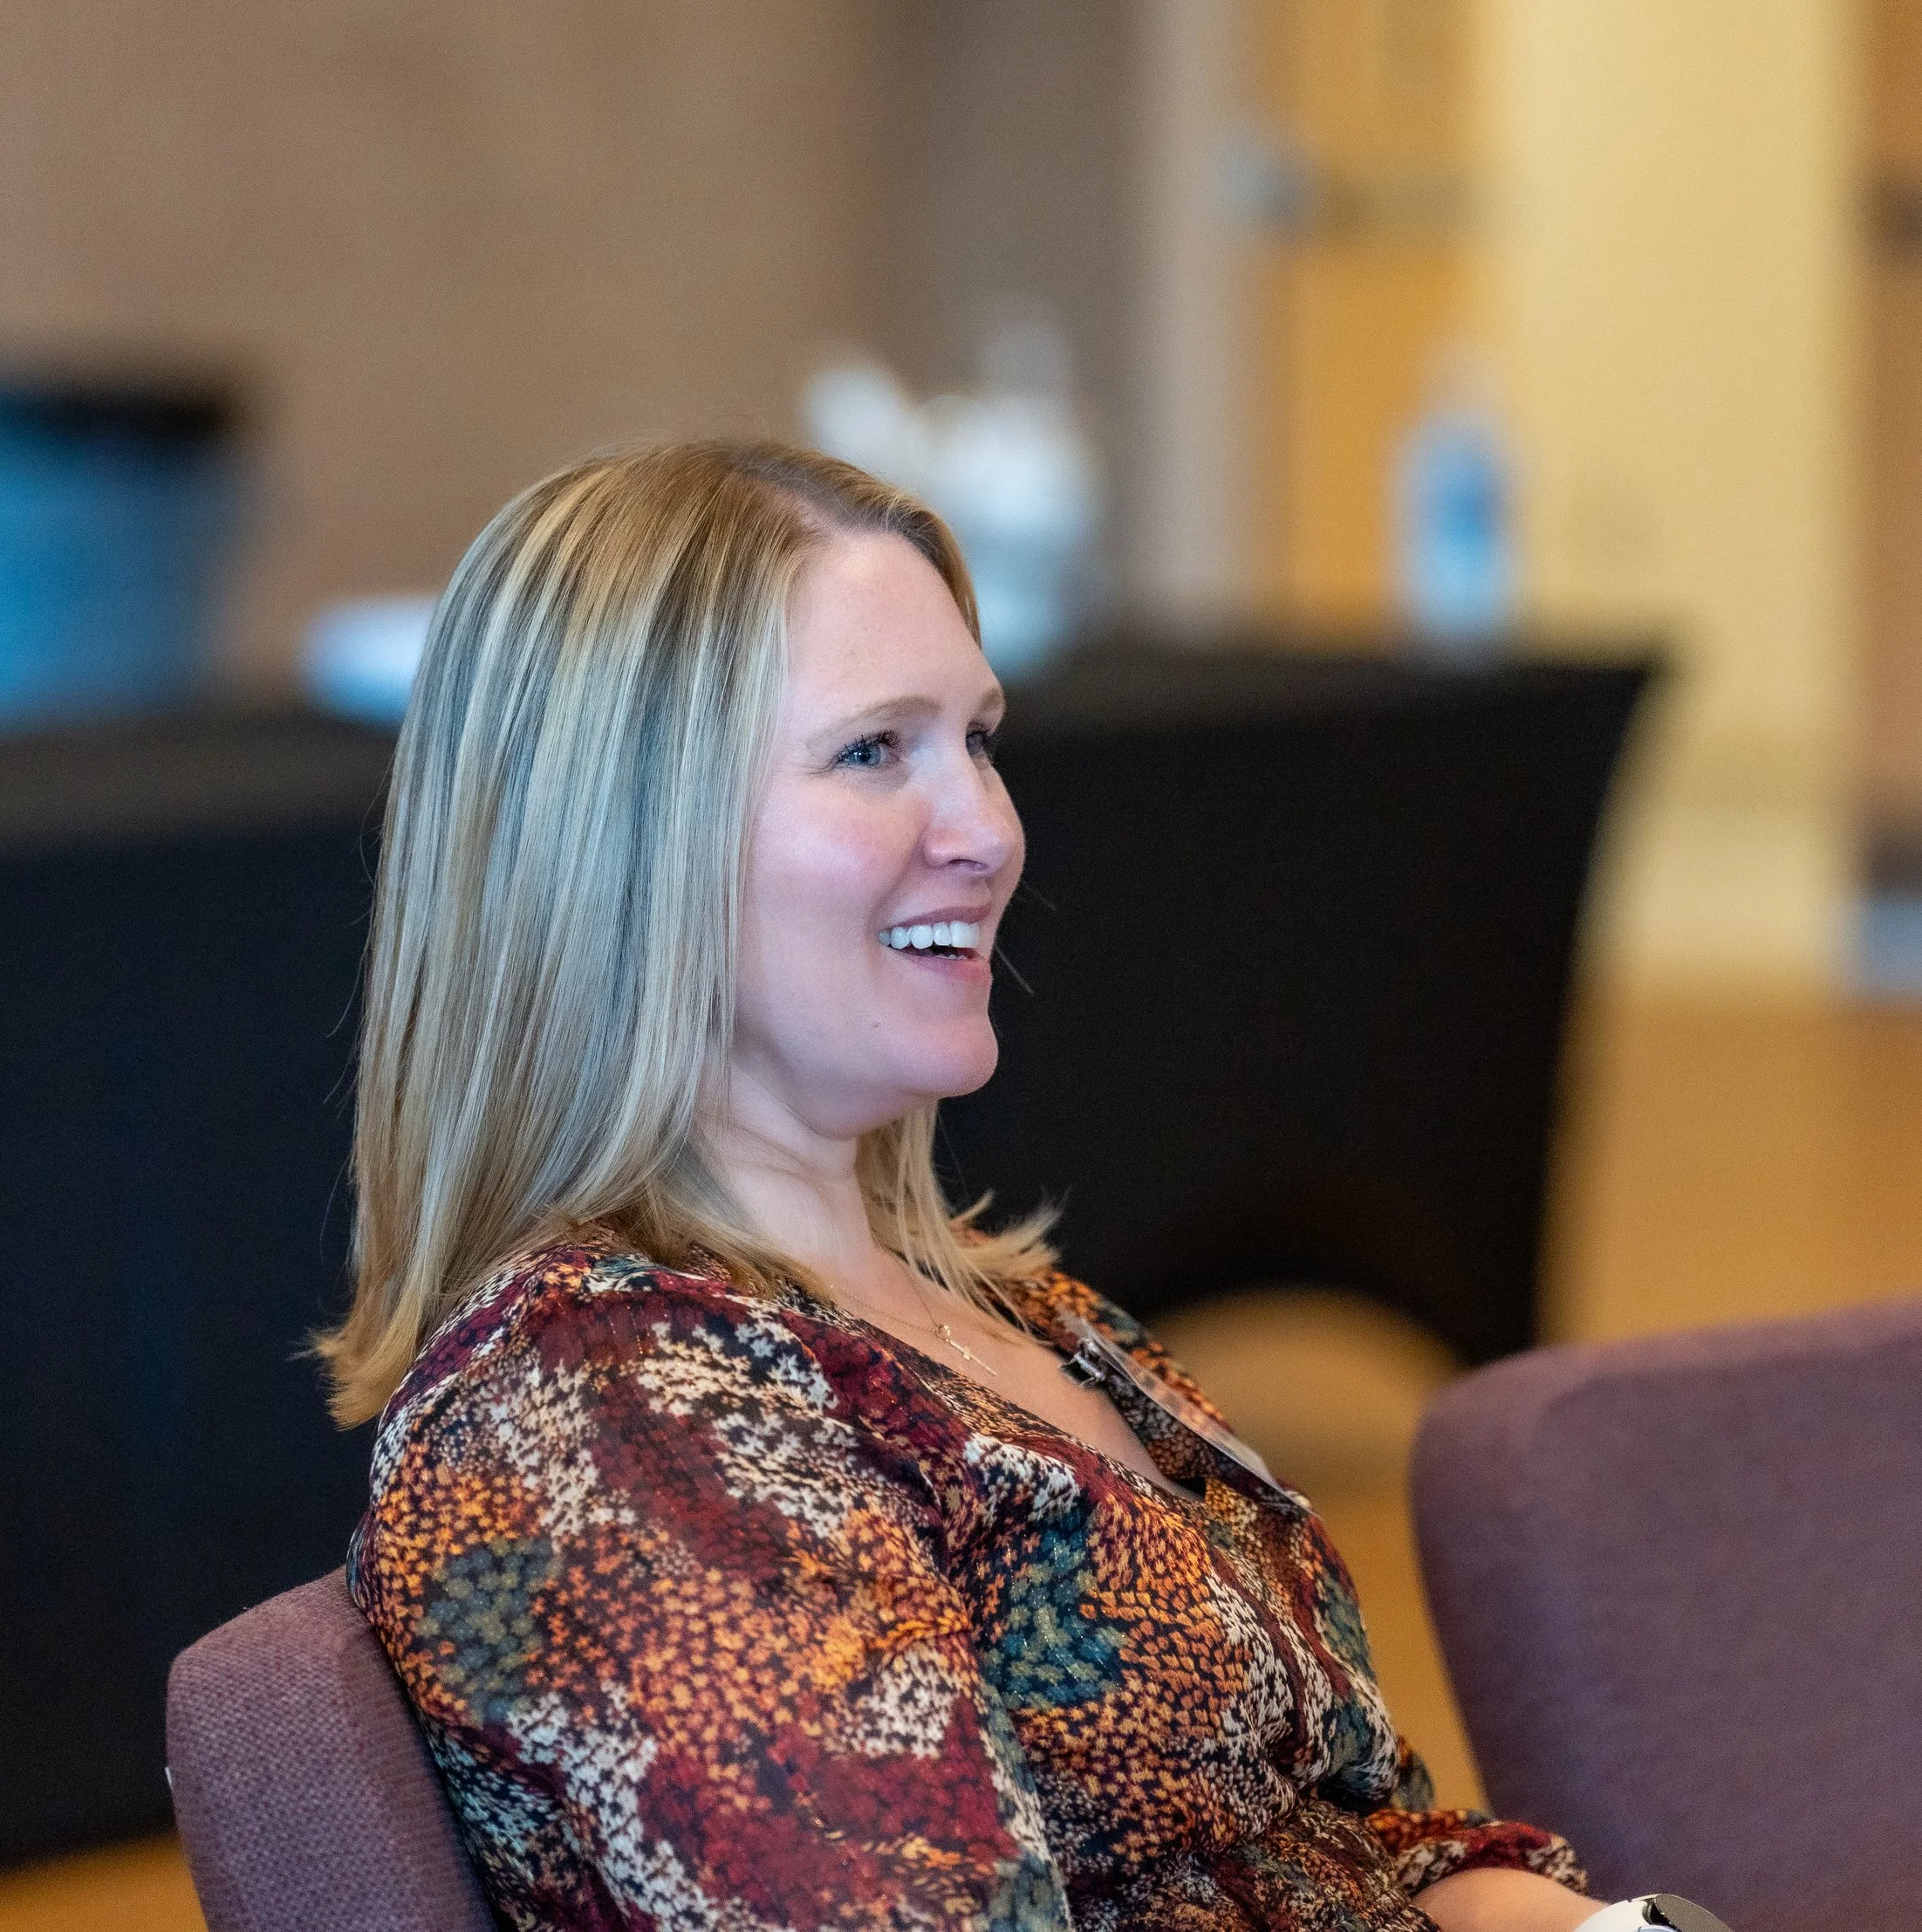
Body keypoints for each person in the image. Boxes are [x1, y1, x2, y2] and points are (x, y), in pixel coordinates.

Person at [324, 442, 1604, 1931]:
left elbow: (1345, 1839)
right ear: (626, 841)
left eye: (979, 738)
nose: (989, 831)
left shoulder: (1006, 1305)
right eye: (876, 751)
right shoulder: (600, 1414)